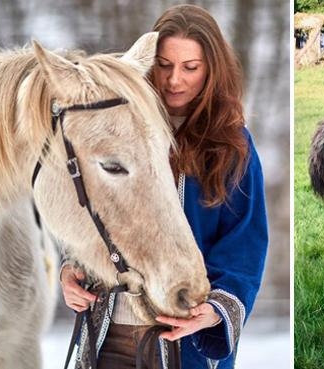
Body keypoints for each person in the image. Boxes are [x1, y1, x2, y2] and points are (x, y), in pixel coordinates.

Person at [59, 4, 268, 369]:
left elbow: (245, 243)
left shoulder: (232, 146)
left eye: (190, 68)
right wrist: (71, 267)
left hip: (181, 341)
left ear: (211, 69)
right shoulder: (115, 131)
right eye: (165, 65)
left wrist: (216, 310)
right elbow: (89, 209)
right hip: (107, 334)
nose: (174, 81)